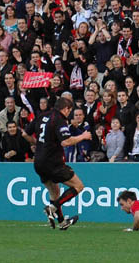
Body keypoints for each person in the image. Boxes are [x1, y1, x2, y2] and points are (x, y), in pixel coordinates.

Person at [25, 97, 91, 230]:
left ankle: (61, 222)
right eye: (69, 111)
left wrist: (39, 144)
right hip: (53, 162)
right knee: (78, 186)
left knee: (54, 192)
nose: (69, 114)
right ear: (66, 109)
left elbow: (25, 134)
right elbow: (66, 141)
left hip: (39, 162)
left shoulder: (41, 116)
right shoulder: (59, 119)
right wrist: (83, 136)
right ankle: (53, 208)